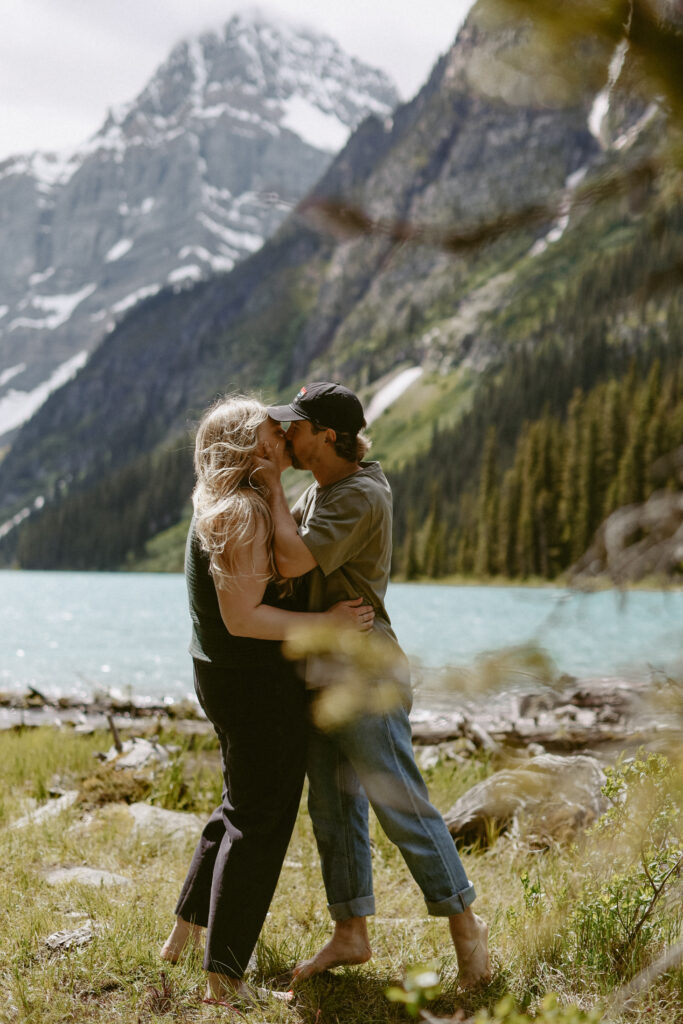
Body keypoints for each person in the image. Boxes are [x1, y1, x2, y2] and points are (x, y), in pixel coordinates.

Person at [257, 381, 492, 989]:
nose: (287, 435)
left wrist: (275, 488)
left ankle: (466, 923)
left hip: (364, 672)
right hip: (324, 673)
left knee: (399, 800)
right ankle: (350, 933)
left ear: (326, 437)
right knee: (334, 807)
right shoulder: (327, 489)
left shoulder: (359, 496)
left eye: (297, 428)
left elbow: (292, 562)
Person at [160, 395, 375, 1004]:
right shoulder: (241, 513)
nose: (283, 435)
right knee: (260, 822)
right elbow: (245, 618)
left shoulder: (222, 502)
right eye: (270, 431)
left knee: (237, 807)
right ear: (249, 449)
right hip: (251, 681)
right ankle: (224, 982)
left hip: (224, 678)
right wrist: (330, 624)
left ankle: (182, 940)